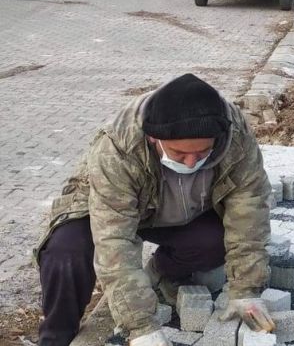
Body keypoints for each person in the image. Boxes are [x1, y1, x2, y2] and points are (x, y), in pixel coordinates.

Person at [34, 74, 275, 346]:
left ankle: (161, 273)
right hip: (108, 207)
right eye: (180, 154)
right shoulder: (118, 147)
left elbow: (249, 208)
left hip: (183, 211)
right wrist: (140, 327)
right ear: (153, 139)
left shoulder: (235, 136)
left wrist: (246, 289)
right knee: (66, 252)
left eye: (202, 152)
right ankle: (56, 336)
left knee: (213, 241)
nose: (192, 161)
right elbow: (114, 240)